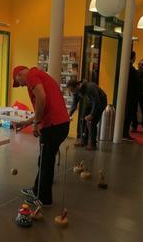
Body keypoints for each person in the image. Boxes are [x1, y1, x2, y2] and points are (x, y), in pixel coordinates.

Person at [13, 66, 70, 207]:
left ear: (20, 74)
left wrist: (37, 123)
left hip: (54, 126)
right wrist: (27, 122)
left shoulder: (31, 75)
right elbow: (42, 105)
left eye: (18, 82)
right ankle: (36, 190)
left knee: (46, 163)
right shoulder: (39, 74)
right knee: (44, 160)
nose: (21, 85)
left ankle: (44, 199)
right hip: (60, 125)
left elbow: (41, 97)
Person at [67, 79, 107, 150]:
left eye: (72, 90)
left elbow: (96, 102)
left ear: (77, 86)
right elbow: (74, 103)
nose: (72, 92)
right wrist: (69, 114)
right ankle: (83, 141)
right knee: (82, 119)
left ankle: (92, 144)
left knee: (91, 122)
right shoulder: (76, 91)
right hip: (90, 102)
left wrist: (92, 115)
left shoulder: (89, 88)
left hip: (100, 102)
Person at [123, 51, 140, 140]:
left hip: (129, 95)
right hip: (130, 96)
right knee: (128, 114)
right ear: (133, 58)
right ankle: (125, 133)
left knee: (128, 114)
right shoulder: (131, 69)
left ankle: (125, 132)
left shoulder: (127, 68)